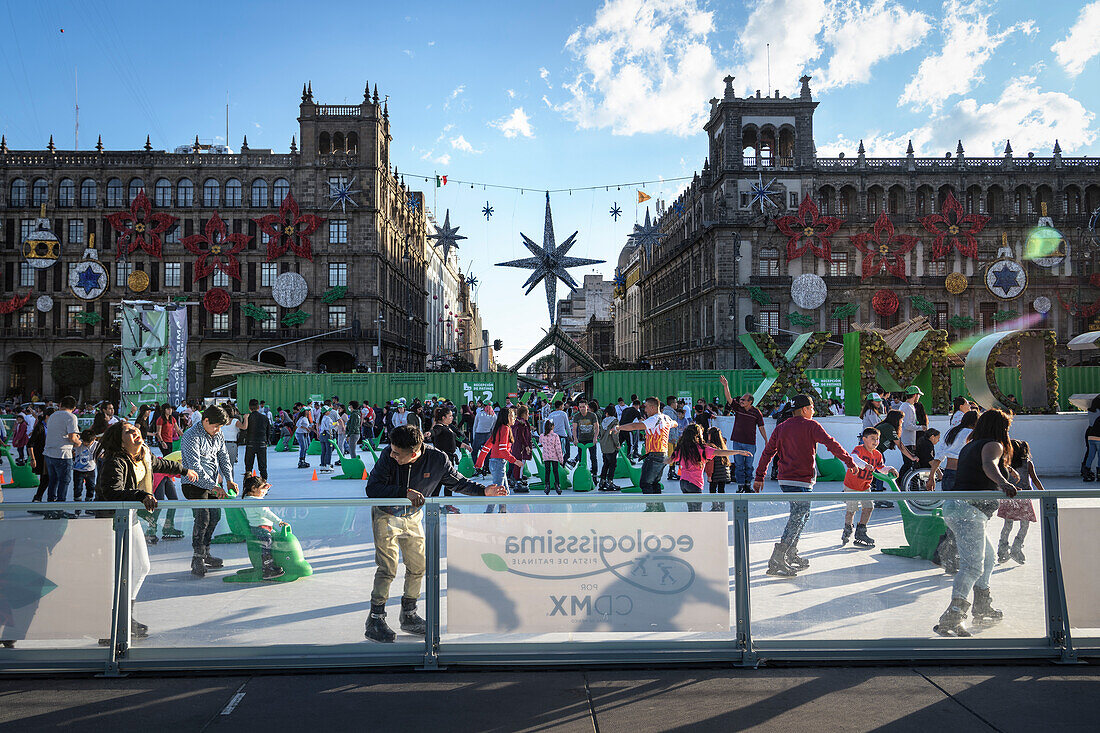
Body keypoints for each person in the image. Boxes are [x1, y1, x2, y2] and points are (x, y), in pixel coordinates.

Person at [364, 424, 507, 642]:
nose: (392, 455)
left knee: (418, 566)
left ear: (414, 453)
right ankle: (375, 619)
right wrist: (404, 493)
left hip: (413, 517)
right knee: (388, 568)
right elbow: (372, 488)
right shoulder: (387, 455)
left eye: (397, 453)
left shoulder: (437, 459)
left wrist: (482, 490)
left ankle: (409, 615)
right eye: (391, 450)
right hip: (386, 516)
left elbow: (458, 482)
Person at [95, 421, 197, 639]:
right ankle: (111, 623)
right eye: (129, 432)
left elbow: (161, 464)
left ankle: (124, 615)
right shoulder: (115, 461)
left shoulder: (143, 454)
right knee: (115, 573)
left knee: (141, 566)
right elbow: (111, 492)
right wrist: (141, 496)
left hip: (129, 518)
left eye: (135, 429)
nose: (135, 433)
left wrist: (184, 470)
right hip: (111, 523)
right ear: (119, 440)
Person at [934, 409, 1019, 637]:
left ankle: (982, 606)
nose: (1008, 432)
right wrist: (1004, 483)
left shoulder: (971, 444)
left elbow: (980, 469)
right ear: (1000, 428)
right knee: (972, 566)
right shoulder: (993, 444)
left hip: (959, 508)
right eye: (1007, 428)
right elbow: (988, 465)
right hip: (968, 511)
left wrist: (1006, 472)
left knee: (988, 559)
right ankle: (952, 616)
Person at [753, 394, 858, 577]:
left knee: (803, 515)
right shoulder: (811, 426)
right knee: (798, 517)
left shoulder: (781, 427)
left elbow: (768, 451)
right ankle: (778, 558)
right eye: (812, 408)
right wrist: (849, 462)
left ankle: (791, 554)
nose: (814, 411)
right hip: (801, 481)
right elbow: (831, 444)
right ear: (804, 410)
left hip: (786, 480)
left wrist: (760, 475)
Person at [180, 405, 234, 578]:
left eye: (220, 427)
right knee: (203, 517)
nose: (218, 430)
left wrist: (229, 478)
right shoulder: (191, 436)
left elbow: (223, 456)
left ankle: (206, 553)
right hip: (193, 483)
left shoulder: (218, 434)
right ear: (205, 420)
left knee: (215, 516)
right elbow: (195, 467)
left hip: (212, 482)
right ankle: (197, 557)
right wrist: (214, 486)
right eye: (215, 426)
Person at [667, 424, 750, 513]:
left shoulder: (682, 448)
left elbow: (668, 460)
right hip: (695, 483)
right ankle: (695, 525)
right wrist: (738, 452)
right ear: (698, 435)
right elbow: (720, 452)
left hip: (683, 482)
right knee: (697, 511)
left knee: (691, 509)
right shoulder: (702, 449)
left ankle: (690, 525)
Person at [616, 396, 677, 512]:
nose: (645, 410)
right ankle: (659, 508)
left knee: (645, 483)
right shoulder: (666, 418)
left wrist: (619, 428)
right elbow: (675, 424)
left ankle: (651, 509)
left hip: (654, 455)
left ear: (653, 407)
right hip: (663, 454)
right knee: (654, 482)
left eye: (647, 407)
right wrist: (670, 424)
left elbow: (634, 426)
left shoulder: (654, 419)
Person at [841, 427, 898, 547]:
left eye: (877, 439)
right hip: (851, 485)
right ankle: (847, 528)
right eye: (873, 439)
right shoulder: (859, 450)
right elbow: (853, 459)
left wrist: (890, 469)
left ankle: (861, 531)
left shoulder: (878, 454)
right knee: (851, 510)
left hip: (865, 486)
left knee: (868, 507)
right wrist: (865, 465)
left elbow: (881, 468)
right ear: (864, 439)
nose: (876, 442)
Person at [719, 376, 768, 493]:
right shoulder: (738, 408)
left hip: (750, 443)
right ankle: (740, 486)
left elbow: (761, 427)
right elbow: (729, 398)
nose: (740, 401)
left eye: (743, 400)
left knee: (749, 466)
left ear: (750, 402)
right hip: (737, 441)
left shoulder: (756, 413)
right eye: (740, 400)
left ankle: (747, 485)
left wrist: (766, 440)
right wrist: (726, 386)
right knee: (739, 465)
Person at [997, 439, 1042, 565]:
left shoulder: (1006, 463)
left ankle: (1002, 549)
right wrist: (1043, 492)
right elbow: (1035, 479)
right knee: (1025, 524)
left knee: (1008, 524)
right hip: (1023, 496)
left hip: (1009, 496)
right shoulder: (1027, 463)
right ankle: (1017, 546)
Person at [474, 406, 524, 513]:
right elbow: (502, 450)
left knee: (505, 491)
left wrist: (479, 462)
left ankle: (503, 511)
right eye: (512, 416)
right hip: (498, 463)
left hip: (496, 462)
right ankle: (489, 513)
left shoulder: (499, 428)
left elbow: (487, 446)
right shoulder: (505, 428)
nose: (514, 418)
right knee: (497, 491)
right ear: (506, 417)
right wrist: (514, 460)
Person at [241, 475, 288, 580]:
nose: (265, 492)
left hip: (264, 527)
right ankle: (267, 569)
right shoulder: (254, 501)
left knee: (274, 541)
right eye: (263, 489)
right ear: (253, 488)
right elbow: (266, 513)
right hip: (260, 528)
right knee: (267, 542)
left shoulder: (252, 499)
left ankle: (273, 563)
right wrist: (279, 521)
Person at [43, 396, 81, 520]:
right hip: (63, 454)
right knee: (64, 482)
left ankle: (50, 509)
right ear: (74, 408)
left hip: (49, 453)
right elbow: (72, 437)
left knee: (53, 481)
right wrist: (78, 442)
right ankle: (60, 509)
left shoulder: (53, 415)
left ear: (60, 404)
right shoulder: (71, 417)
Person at [872, 410, 917, 507]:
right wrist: (912, 457)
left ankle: (876, 495)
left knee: (878, 471)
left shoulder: (888, 426)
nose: (902, 422)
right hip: (873, 452)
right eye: (901, 419)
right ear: (896, 420)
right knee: (880, 471)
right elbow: (900, 445)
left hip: (876, 452)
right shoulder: (888, 427)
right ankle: (878, 498)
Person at [705, 426, 734, 511]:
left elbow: (710, 463)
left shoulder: (711, 447)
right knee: (722, 490)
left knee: (712, 489)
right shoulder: (723, 445)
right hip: (723, 473)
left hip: (714, 473)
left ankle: (715, 506)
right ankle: (722, 506)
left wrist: (709, 475)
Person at [241, 399, 270, 480]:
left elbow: (244, 430)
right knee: (263, 466)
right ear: (258, 407)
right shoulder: (264, 418)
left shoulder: (248, 418)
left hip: (250, 443)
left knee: (248, 467)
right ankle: (264, 485)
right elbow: (268, 431)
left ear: (249, 408)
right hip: (262, 443)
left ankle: (247, 486)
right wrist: (267, 441)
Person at [571, 401, 600, 476]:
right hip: (581, 440)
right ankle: (581, 473)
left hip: (591, 439)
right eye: (580, 407)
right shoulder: (577, 416)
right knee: (581, 458)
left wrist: (595, 438)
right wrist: (575, 439)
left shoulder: (592, 415)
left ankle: (594, 473)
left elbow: (596, 427)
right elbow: (574, 428)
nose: (582, 409)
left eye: (583, 407)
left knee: (593, 457)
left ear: (587, 407)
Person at [72, 428, 98, 510]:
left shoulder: (97, 445)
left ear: (94, 439)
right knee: (78, 488)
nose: (86, 444)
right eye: (84, 442)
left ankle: (88, 506)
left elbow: (101, 454)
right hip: (78, 470)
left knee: (91, 488)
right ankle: (78, 507)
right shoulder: (78, 444)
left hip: (91, 470)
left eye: (88, 443)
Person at [509, 404, 533, 492]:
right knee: (520, 464)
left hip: (517, 446)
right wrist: (526, 445)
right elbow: (521, 436)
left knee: (519, 463)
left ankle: (518, 479)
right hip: (520, 447)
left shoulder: (518, 422)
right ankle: (518, 482)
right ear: (523, 414)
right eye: (527, 413)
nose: (528, 415)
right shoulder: (521, 423)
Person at [597, 405, 620, 492]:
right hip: (611, 446)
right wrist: (617, 444)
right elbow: (615, 434)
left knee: (605, 464)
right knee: (613, 464)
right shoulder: (615, 421)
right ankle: (610, 482)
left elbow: (601, 434)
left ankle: (602, 482)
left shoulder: (603, 421)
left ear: (606, 413)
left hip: (604, 446)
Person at [539, 419, 564, 495]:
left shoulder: (542, 436)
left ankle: (547, 485)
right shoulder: (555, 436)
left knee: (547, 471)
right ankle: (557, 485)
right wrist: (561, 459)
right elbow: (558, 448)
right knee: (555, 471)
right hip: (555, 457)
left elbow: (541, 442)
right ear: (552, 427)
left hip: (546, 456)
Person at [546, 400, 571, 465]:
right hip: (563, 436)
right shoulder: (563, 414)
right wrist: (570, 436)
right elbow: (567, 426)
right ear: (560, 406)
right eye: (562, 406)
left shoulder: (551, 415)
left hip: (553, 437)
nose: (563, 407)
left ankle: (557, 466)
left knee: (555, 453)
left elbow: (547, 425)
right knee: (567, 453)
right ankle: (562, 465)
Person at [318, 406, 337, 473]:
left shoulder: (322, 418)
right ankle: (328, 465)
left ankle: (322, 466)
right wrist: (336, 424)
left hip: (322, 435)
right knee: (329, 451)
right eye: (329, 411)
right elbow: (329, 427)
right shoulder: (328, 418)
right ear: (326, 412)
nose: (329, 412)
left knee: (323, 451)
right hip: (327, 435)